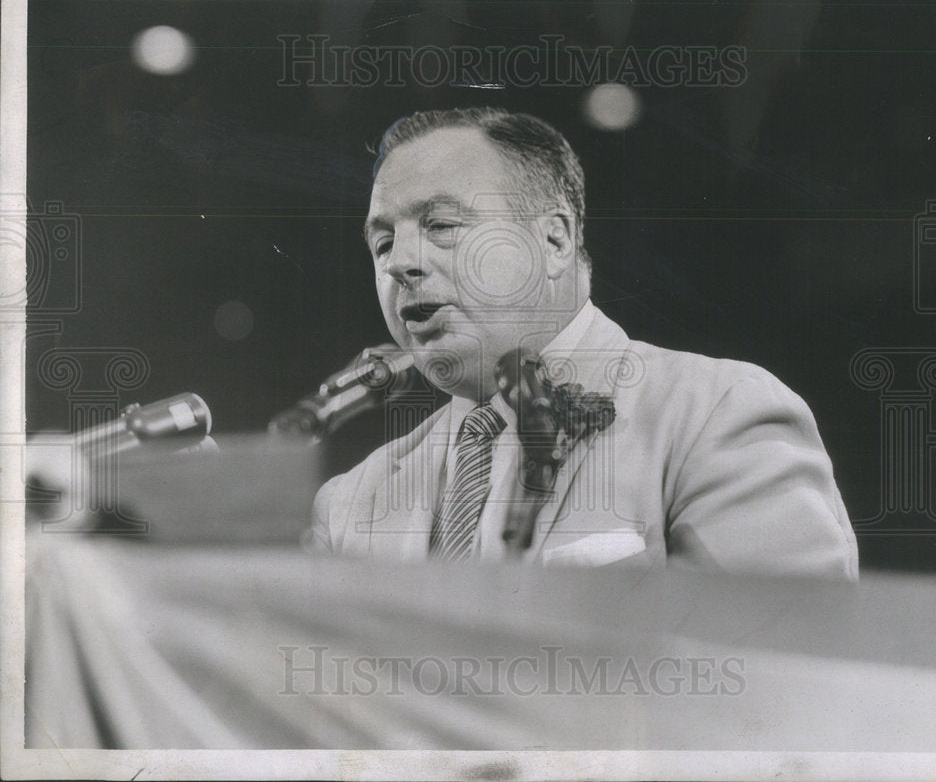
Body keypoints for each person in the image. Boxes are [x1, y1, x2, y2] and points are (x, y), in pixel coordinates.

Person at [307, 106, 858, 578]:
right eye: (382, 243)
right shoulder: (348, 502)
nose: (400, 262)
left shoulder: (716, 413)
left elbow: (778, 672)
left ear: (555, 240)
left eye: (442, 225)